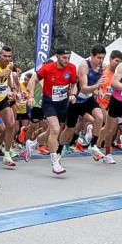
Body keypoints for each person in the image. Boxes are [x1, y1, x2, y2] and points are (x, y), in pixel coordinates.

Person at [33, 46, 78, 175]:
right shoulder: (47, 68)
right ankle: (54, 162)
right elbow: (33, 79)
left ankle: (32, 144)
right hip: (49, 103)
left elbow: (74, 84)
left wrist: (73, 94)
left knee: (51, 131)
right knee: (56, 130)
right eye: (64, 58)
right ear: (57, 56)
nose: (66, 60)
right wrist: (30, 96)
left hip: (63, 103)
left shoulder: (72, 68)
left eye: (68, 58)